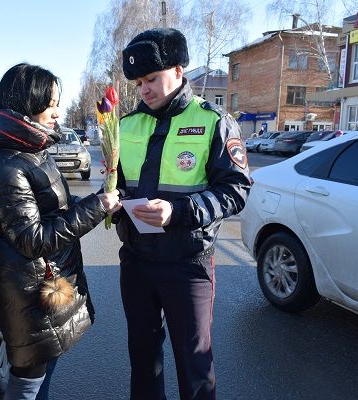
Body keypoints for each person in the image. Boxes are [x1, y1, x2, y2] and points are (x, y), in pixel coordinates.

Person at [0, 63, 121, 400]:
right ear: (27, 104)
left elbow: (55, 209)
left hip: (42, 285)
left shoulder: (31, 149)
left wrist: (99, 199)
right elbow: (32, 239)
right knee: (28, 385)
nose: (57, 111)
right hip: (28, 294)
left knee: (39, 377)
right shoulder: (4, 164)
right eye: (51, 103)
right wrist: (97, 208)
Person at [114, 28, 251, 399]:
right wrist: (111, 200)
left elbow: (236, 190)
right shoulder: (126, 125)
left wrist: (177, 212)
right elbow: (117, 183)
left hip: (187, 264)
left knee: (194, 364)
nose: (144, 89)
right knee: (143, 360)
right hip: (136, 262)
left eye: (151, 79)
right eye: (139, 82)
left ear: (178, 69)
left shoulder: (213, 121)